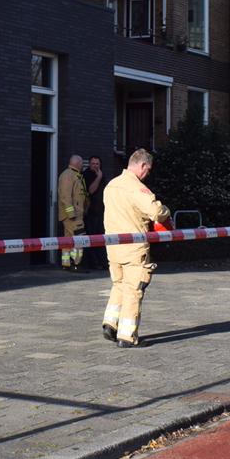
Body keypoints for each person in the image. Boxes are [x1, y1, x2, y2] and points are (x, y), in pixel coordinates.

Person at [101, 148, 171, 348]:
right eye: (148, 170)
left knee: (119, 284)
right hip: (133, 248)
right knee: (133, 289)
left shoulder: (111, 185)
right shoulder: (136, 188)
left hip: (113, 246)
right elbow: (155, 211)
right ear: (142, 165)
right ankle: (127, 336)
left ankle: (110, 323)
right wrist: (166, 211)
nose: (147, 174)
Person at [56, 155, 88, 270]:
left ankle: (66, 263)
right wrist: (71, 214)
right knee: (80, 239)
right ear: (77, 163)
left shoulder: (74, 175)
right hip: (73, 217)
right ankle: (76, 263)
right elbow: (65, 197)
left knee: (68, 240)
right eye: (82, 163)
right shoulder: (68, 176)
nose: (83, 165)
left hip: (75, 215)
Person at [82, 155, 107, 269]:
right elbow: (91, 191)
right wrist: (98, 177)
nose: (95, 166)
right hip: (91, 213)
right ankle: (93, 263)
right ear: (89, 164)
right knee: (91, 238)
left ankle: (102, 262)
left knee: (100, 238)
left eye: (97, 164)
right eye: (93, 164)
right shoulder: (87, 175)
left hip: (100, 212)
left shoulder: (101, 174)